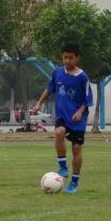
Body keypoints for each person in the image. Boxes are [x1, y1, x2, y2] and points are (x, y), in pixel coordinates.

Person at [32, 44, 91, 194]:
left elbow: (88, 99)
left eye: (70, 58)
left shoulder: (83, 77)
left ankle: (74, 182)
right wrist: (39, 103)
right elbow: (49, 89)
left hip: (78, 118)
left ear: (77, 58)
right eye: (65, 57)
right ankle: (63, 167)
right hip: (62, 115)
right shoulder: (57, 72)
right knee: (59, 132)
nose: (67, 60)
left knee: (76, 148)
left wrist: (80, 111)